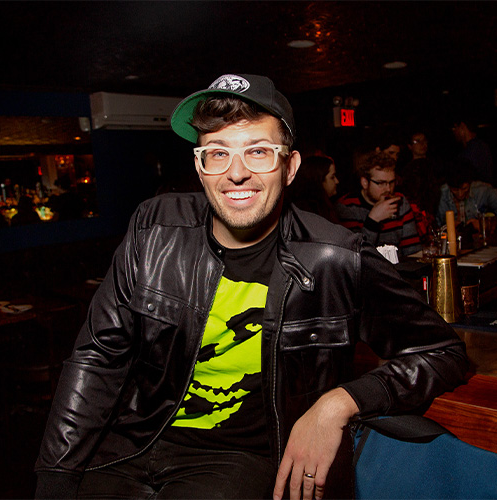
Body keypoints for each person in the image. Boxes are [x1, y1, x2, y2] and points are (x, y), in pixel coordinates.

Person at [35, 73, 468, 500]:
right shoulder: (155, 228)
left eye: (258, 151)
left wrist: (340, 402)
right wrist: (56, 476)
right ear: (200, 167)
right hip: (132, 440)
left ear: (290, 166)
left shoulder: (335, 257)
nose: (236, 173)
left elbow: (443, 353)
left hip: (236, 459)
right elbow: (97, 358)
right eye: (217, 153)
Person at [336, 151, 422, 257]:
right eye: (381, 183)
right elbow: (354, 255)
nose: (388, 189)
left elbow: (413, 251)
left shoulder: (400, 202)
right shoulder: (348, 206)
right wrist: (373, 220)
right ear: (365, 182)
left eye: (391, 182)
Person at [436, 158, 497, 229]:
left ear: (470, 183)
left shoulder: (484, 190)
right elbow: (436, 224)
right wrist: (447, 226)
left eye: (464, 189)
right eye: (455, 190)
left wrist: (485, 223)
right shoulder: (441, 193)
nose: (460, 194)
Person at [288, 155, 340, 223]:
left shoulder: (328, 207)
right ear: (319, 180)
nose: (337, 181)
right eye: (332, 177)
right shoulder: (309, 213)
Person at [452, 114, 494, 184]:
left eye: (455, 128)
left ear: (462, 127)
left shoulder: (470, 153)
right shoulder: (482, 146)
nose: (454, 132)